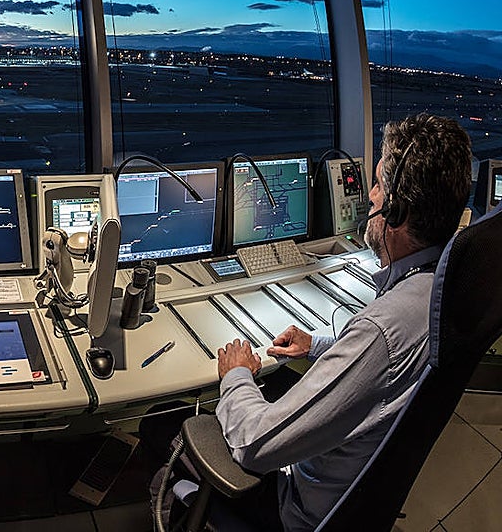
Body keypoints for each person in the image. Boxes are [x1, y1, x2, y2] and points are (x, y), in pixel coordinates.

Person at [147, 113, 472, 531]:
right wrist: (319, 344)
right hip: (356, 497)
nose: (370, 196)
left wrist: (237, 376)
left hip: (296, 508)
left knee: (160, 432)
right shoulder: (441, 290)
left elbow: (254, 444)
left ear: (397, 211)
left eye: (378, 186)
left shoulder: (381, 331)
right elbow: (383, 367)